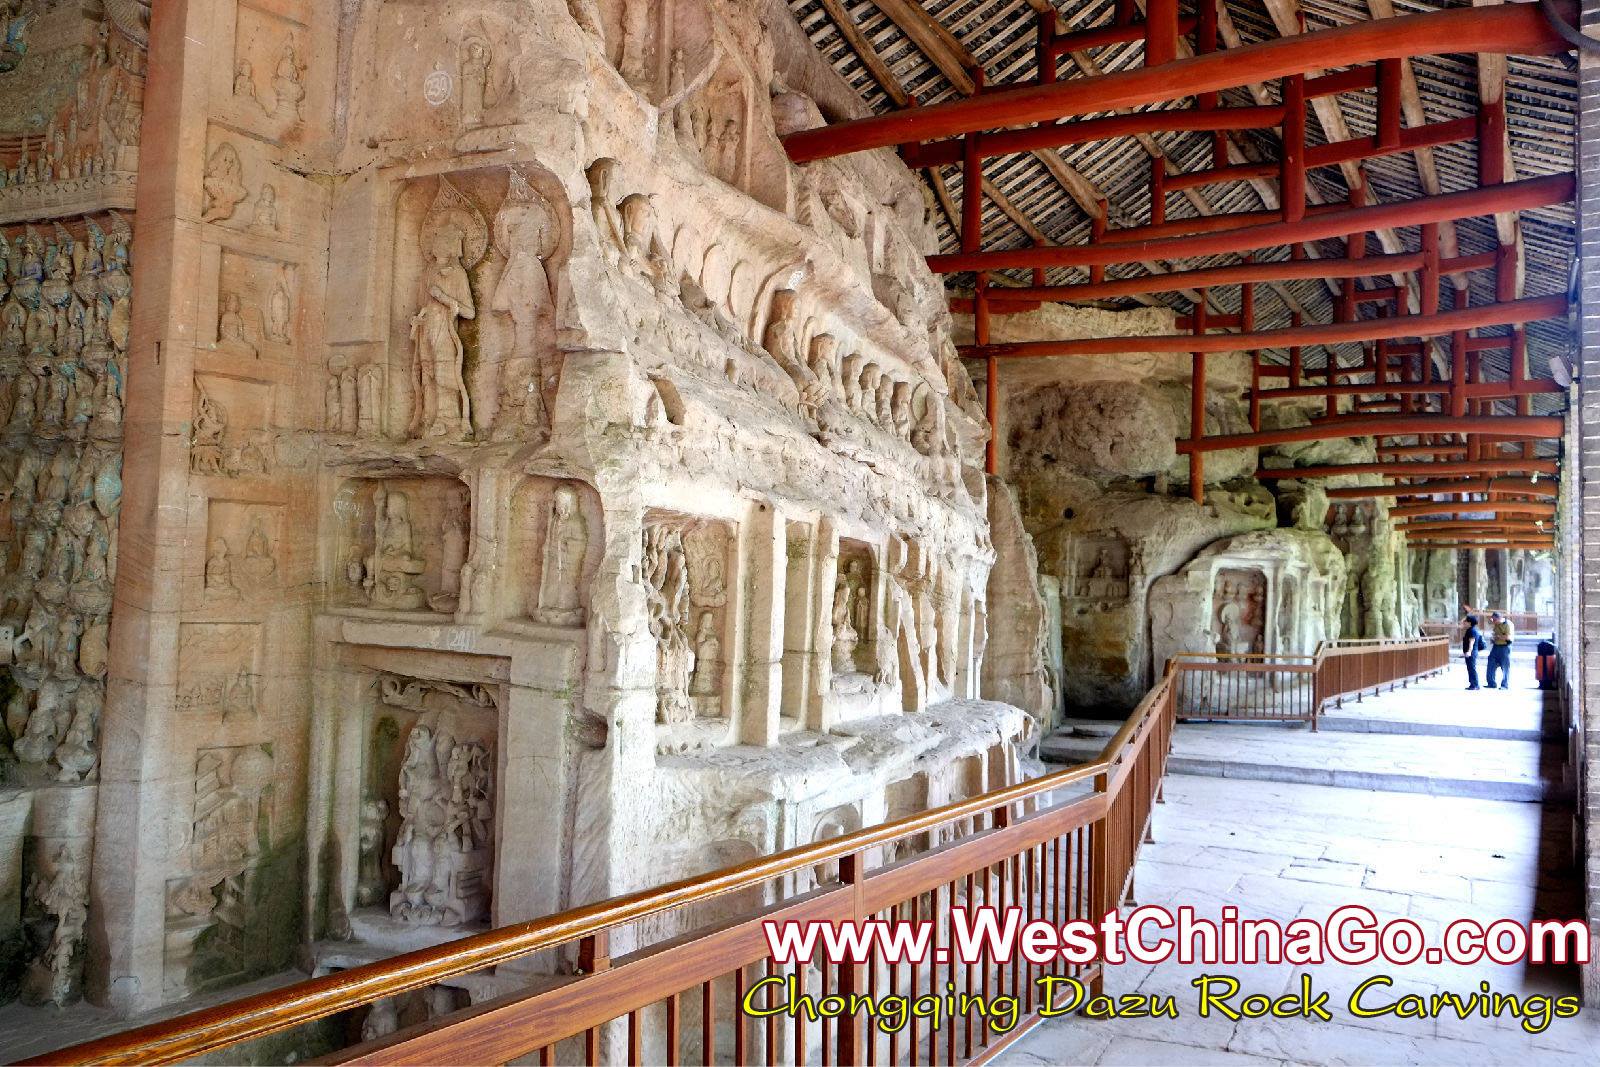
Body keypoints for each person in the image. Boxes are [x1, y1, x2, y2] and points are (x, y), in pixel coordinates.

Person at [1485, 610, 1515, 690]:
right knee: (1491, 663)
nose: (1493, 622)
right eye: (1493, 620)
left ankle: (1504, 685)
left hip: (1505, 647)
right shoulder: (1496, 624)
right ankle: (1491, 683)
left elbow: (1508, 637)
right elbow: (1495, 633)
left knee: (1505, 666)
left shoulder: (1508, 624)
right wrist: (1494, 639)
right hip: (1496, 646)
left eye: (1494, 620)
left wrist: (1498, 637)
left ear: (1499, 618)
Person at [1461, 614, 1485, 691]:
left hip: (1472, 652)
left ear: (1469, 622)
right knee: (1470, 668)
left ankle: (1475, 685)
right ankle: (1473, 684)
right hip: (1471, 652)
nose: (1464, 622)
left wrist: (1469, 651)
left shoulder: (1472, 631)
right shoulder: (1470, 629)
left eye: (1466, 621)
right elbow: (1461, 622)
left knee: (1472, 668)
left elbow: (1472, 642)